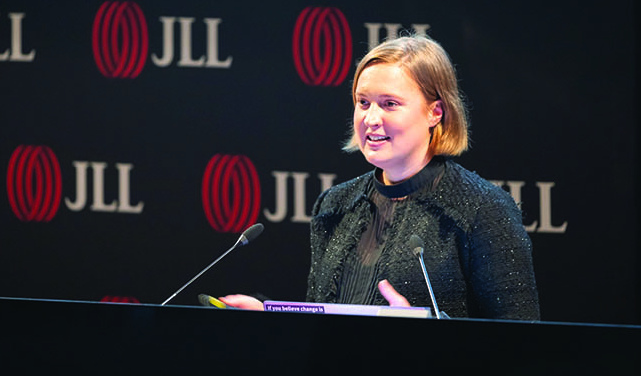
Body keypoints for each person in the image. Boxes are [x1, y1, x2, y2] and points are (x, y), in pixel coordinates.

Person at [221, 34, 540, 320]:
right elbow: (319, 324)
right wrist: (266, 319)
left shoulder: (482, 208)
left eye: (389, 104)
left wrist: (430, 330)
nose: (371, 119)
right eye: (363, 102)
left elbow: (522, 347)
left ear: (435, 112)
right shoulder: (334, 205)